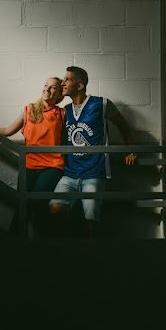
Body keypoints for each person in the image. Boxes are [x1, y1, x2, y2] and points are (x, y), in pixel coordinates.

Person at [49, 66, 137, 238]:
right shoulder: (65, 110)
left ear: (80, 85)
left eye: (67, 79)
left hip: (94, 173)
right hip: (70, 173)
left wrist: (130, 150)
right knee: (56, 209)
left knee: (91, 221)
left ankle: (91, 257)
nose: (63, 82)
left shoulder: (101, 103)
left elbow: (123, 126)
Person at [0, 77, 66, 237]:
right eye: (46, 85)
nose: (47, 89)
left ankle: (47, 242)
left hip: (52, 167)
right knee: (21, 205)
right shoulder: (29, 109)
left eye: (52, 88)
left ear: (59, 94)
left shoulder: (61, 113)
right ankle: (14, 244)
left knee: (37, 203)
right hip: (29, 165)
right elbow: (7, 130)